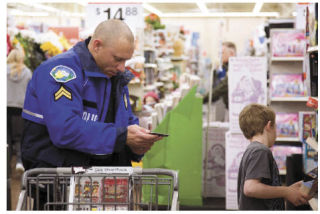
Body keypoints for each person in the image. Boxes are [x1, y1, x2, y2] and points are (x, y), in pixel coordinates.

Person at [21, 19, 163, 171]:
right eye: (117, 59)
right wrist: (122, 137)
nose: (122, 67)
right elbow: (65, 130)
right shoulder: (60, 71)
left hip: (99, 179)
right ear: (97, 46)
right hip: (59, 177)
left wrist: (137, 144)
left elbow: (125, 123)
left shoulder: (115, 77)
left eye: (126, 61)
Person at [237, 103, 310, 210]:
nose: (276, 131)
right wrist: (286, 191)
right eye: (276, 127)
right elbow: (250, 188)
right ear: (269, 126)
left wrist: (289, 190)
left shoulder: (253, 150)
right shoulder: (260, 151)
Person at [7, 48, 32, 172]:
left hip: (6, 107)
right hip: (20, 109)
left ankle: (6, 166)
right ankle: (19, 162)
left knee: (6, 139)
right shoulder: (27, 72)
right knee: (19, 138)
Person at [203, 42, 236, 110]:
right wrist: (215, 71)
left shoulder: (234, 69)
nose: (219, 56)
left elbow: (220, 89)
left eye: (222, 53)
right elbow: (215, 86)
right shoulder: (225, 67)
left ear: (232, 54)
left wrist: (202, 99)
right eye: (219, 53)